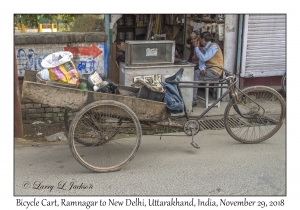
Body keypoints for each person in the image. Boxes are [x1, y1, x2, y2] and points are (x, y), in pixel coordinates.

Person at [192, 32, 224, 107]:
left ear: (203, 39)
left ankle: (193, 99)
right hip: (208, 69)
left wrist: (196, 47)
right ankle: (193, 97)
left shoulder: (214, 47)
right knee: (195, 73)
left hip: (215, 71)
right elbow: (202, 61)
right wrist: (202, 68)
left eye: (200, 39)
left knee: (195, 75)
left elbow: (204, 57)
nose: (199, 41)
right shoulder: (205, 48)